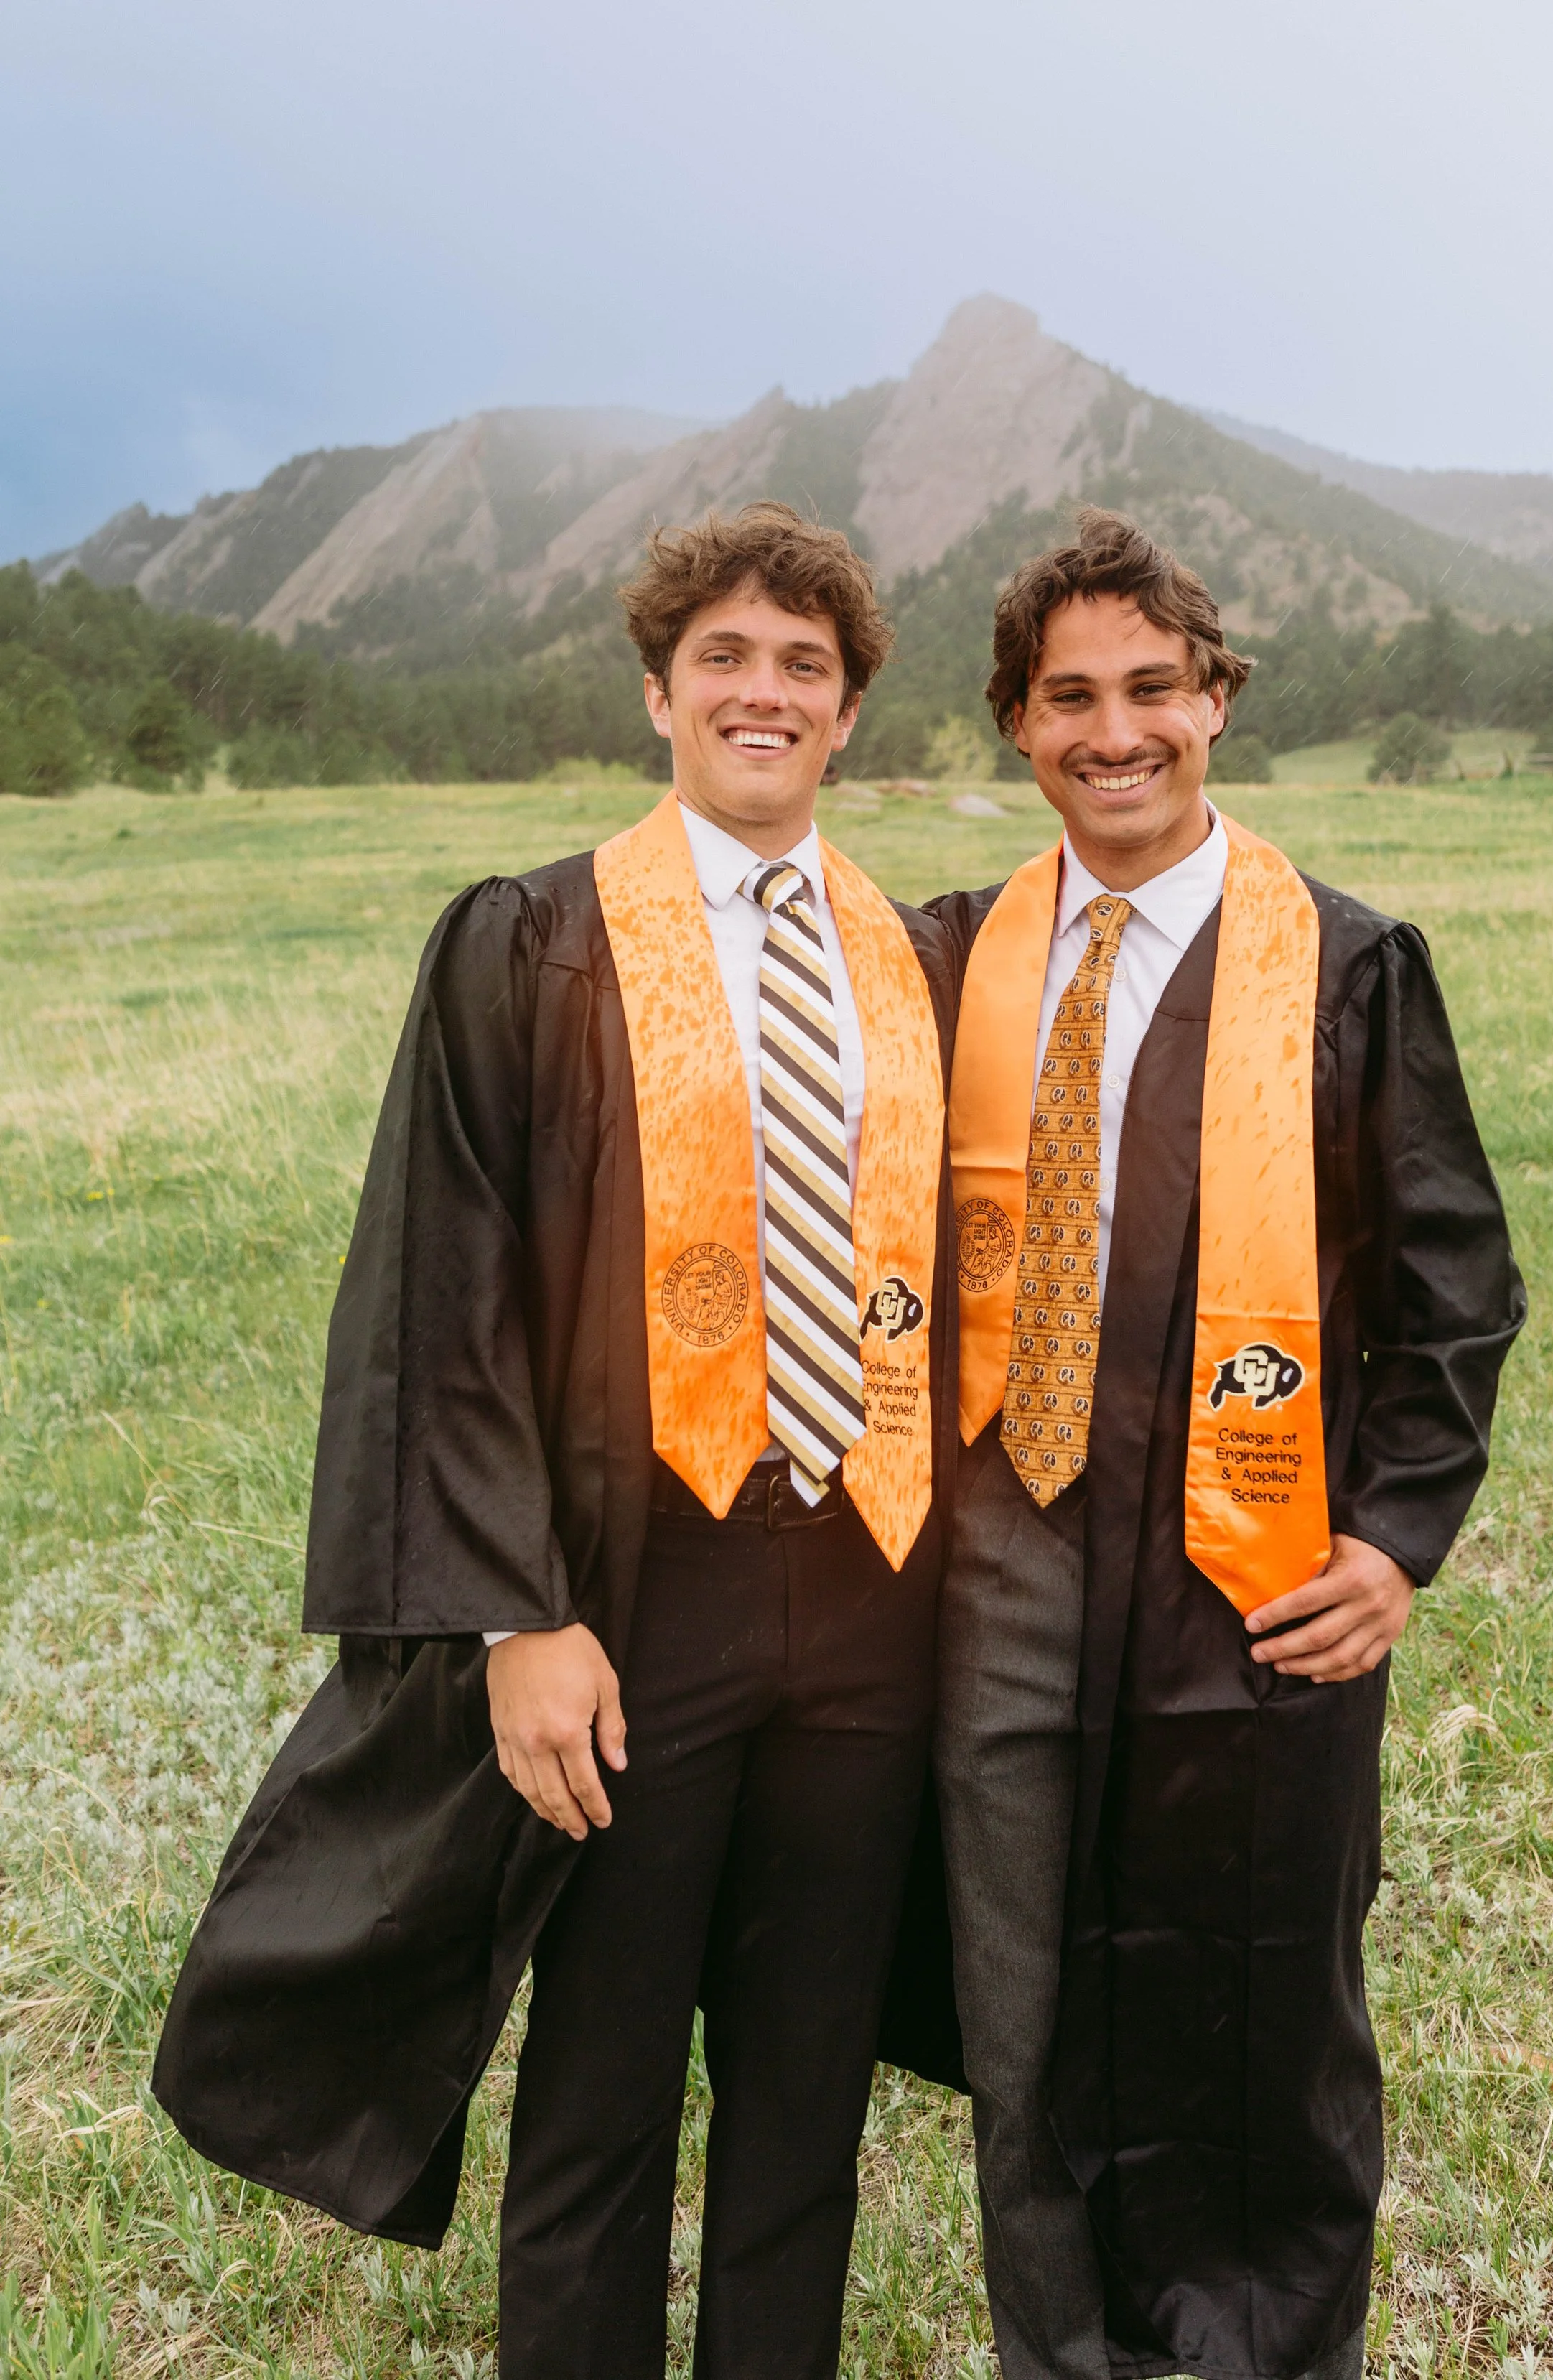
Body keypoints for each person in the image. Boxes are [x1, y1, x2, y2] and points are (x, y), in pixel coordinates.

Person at [153, 502, 961, 2380]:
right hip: (633, 1596)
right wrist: (513, 1613)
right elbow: (445, 1291)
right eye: (728, 661)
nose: (765, 694)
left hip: (869, 1598)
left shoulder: (915, 958)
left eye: (805, 668)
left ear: (845, 716)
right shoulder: (532, 941)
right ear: (658, 694)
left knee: (804, 2092)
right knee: (597, 2090)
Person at [928, 510, 1525, 2380]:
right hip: (1000, 1571)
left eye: (1152, 690)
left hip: (1244, 1578)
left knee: (1260, 2013)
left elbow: (1455, 1277)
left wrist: (1395, 1537)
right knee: (1020, 2024)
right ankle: (1064, 2358)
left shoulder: (1343, 965)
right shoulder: (948, 957)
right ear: (1018, 730)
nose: (1116, 733)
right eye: (1068, 700)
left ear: (1217, 702)